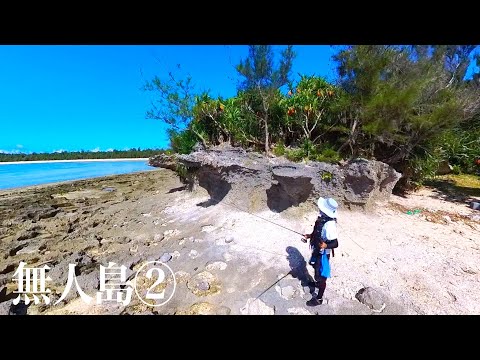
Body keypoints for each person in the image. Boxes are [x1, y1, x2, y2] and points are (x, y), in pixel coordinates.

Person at [302, 197, 339, 306]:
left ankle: (319, 298)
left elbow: (336, 243)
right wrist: (309, 236)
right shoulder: (322, 219)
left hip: (323, 254)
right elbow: (317, 232)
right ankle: (317, 283)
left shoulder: (330, 226)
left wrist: (326, 245)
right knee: (314, 267)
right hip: (316, 249)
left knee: (322, 275)